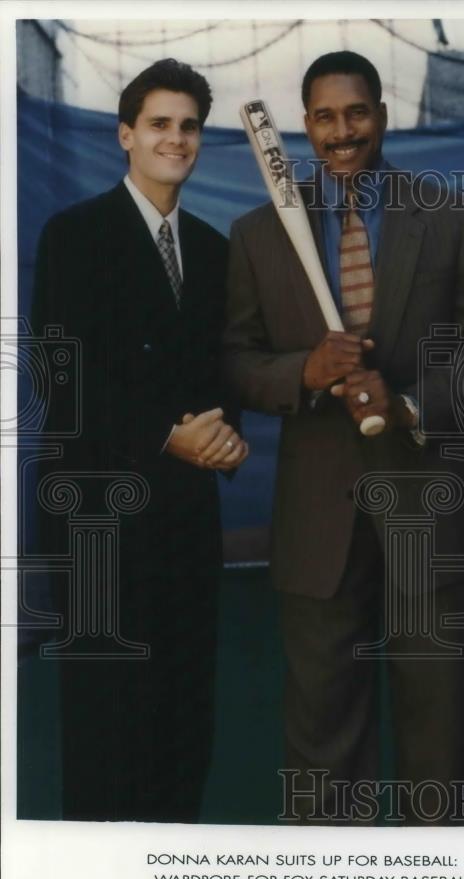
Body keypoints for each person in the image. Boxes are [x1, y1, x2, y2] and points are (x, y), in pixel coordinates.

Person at [224, 50, 464, 823]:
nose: (340, 132)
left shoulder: (450, 216)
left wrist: (409, 403)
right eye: (323, 116)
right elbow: (238, 363)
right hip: (320, 519)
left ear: (381, 113)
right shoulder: (257, 234)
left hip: (431, 507)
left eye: (355, 113)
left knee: (437, 733)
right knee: (321, 733)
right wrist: (306, 372)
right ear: (304, 125)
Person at [32, 59, 248, 822]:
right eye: (159, 123)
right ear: (126, 135)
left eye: (188, 125)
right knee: (105, 735)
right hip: (99, 523)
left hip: (184, 525)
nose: (175, 138)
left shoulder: (215, 250)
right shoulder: (74, 235)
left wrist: (223, 438)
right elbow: (64, 381)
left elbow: (222, 377)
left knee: (181, 730)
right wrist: (165, 437)